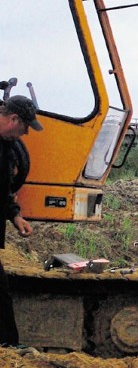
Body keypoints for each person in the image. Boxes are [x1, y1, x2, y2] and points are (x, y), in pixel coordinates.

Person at [0, 95, 43, 346]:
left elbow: (2, 189)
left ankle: (9, 346)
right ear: (13, 119)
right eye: (25, 128)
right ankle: (10, 347)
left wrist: (15, 215)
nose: (25, 134)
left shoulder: (5, 146)